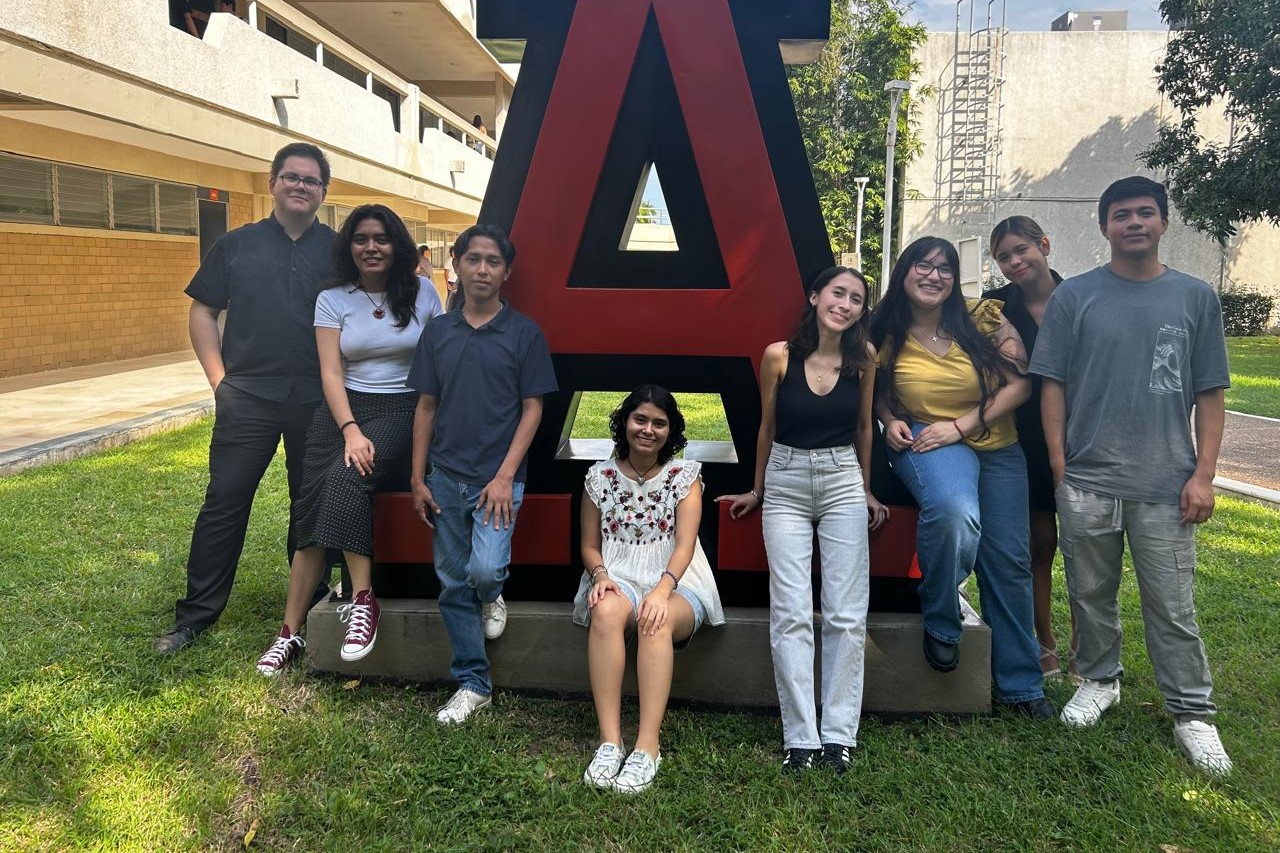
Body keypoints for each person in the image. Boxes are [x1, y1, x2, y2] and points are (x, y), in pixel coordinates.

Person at [1030, 176, 1232, 775]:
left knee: (1171, 605)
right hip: (1088, 478)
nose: (1134, 223)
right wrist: (1060, 464)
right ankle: (1099, 679)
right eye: (1122, 215)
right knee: (1090, 593)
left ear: (1164, 222)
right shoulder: (1077, 297)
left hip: (1166, 483)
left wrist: (1205, 474)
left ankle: (1192, 712)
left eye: (1146, 213)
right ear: (1104, 227)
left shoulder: (1195, 297)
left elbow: (1210, 392)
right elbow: (1052, 384)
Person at [156, 143, 337, 655]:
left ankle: (312, 606)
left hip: (318, 400)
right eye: (291, 177)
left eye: (311, 180)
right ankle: (195, 616)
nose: (300, 186)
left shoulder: (339, 251)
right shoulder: (236, 246)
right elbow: (203, 311)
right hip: (249, 397)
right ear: (273, 182)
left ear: (323, 191)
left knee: (312, 506)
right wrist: (220, 383)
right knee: (225, 502)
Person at [868, 236, 1053, 718]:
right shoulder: (885, 329)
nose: (934, 276)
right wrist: (889, 420)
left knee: (1009, 559)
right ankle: (942, 616)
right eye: (923, 267)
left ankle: (1020, 683)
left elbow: (1020, 383)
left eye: (944, 268)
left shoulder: (984, 318)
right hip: (925, 438)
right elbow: (873, 388)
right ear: (904, 273)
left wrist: (963, 425)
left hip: (993, 440)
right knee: (954, 512)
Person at [255, 205, 443, 675]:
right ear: (349, 247)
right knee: (309, 511)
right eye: (361, 239)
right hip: (342, 413)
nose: (371, 247)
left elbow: (439, 359)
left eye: (381, 238)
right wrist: (350, 429)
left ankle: (364, 599)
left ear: (397, 246)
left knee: (346, 478)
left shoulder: (422, 291)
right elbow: (331, 372)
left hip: (402, 408)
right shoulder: (333, 298)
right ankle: (290, 631)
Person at [719, 267, 888, 774]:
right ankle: (801, 738)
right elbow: (766, 427)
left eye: (856, 299)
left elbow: (864, 427)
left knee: (844, 612)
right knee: (791, 610)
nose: (846, 303)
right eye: (838, 293)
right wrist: (757, 488)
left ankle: (838, 736)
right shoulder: (780, 356)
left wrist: (864, 487)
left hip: (841, 481)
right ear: (815, 296)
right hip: (786, 482)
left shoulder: (864, 358)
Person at [407, 224, 558, 725]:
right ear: (457, 264)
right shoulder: (438, 333)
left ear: (506, 272)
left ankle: (493, 597)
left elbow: (532, 410)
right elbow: (426, 407)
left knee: (484, 571)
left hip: (499, 480)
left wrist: (504, 476)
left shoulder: (524, 333)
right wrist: (418, 478)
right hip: (446, 477)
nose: (483, 270)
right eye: (473, 259)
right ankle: (473, 683)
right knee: (452, 583)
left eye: (493, 262)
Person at [575, 386, 725, 793]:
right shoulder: (599, 477)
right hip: (618, 573)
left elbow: (685, 545)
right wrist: (601, 575)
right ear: (625, 422)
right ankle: (610, 742)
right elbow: (589, 545)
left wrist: (662, 592)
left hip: (677, 579)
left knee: (653, 622)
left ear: (670, 430)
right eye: (640, 419)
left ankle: (647, 746)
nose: (648, 430)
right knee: (606, 611)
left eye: (660, 423)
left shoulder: (684, 476)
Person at [984, 216, 1074, 676]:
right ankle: (1045, 640)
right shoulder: (994, 307)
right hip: (1022, 437)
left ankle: (1088, 644)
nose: (1015, 261)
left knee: (1085, 547)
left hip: (1081, 436)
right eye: (1003, 256)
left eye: (1022, 249)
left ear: (1045, 243)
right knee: (1040, 543)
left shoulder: (1082, 298)